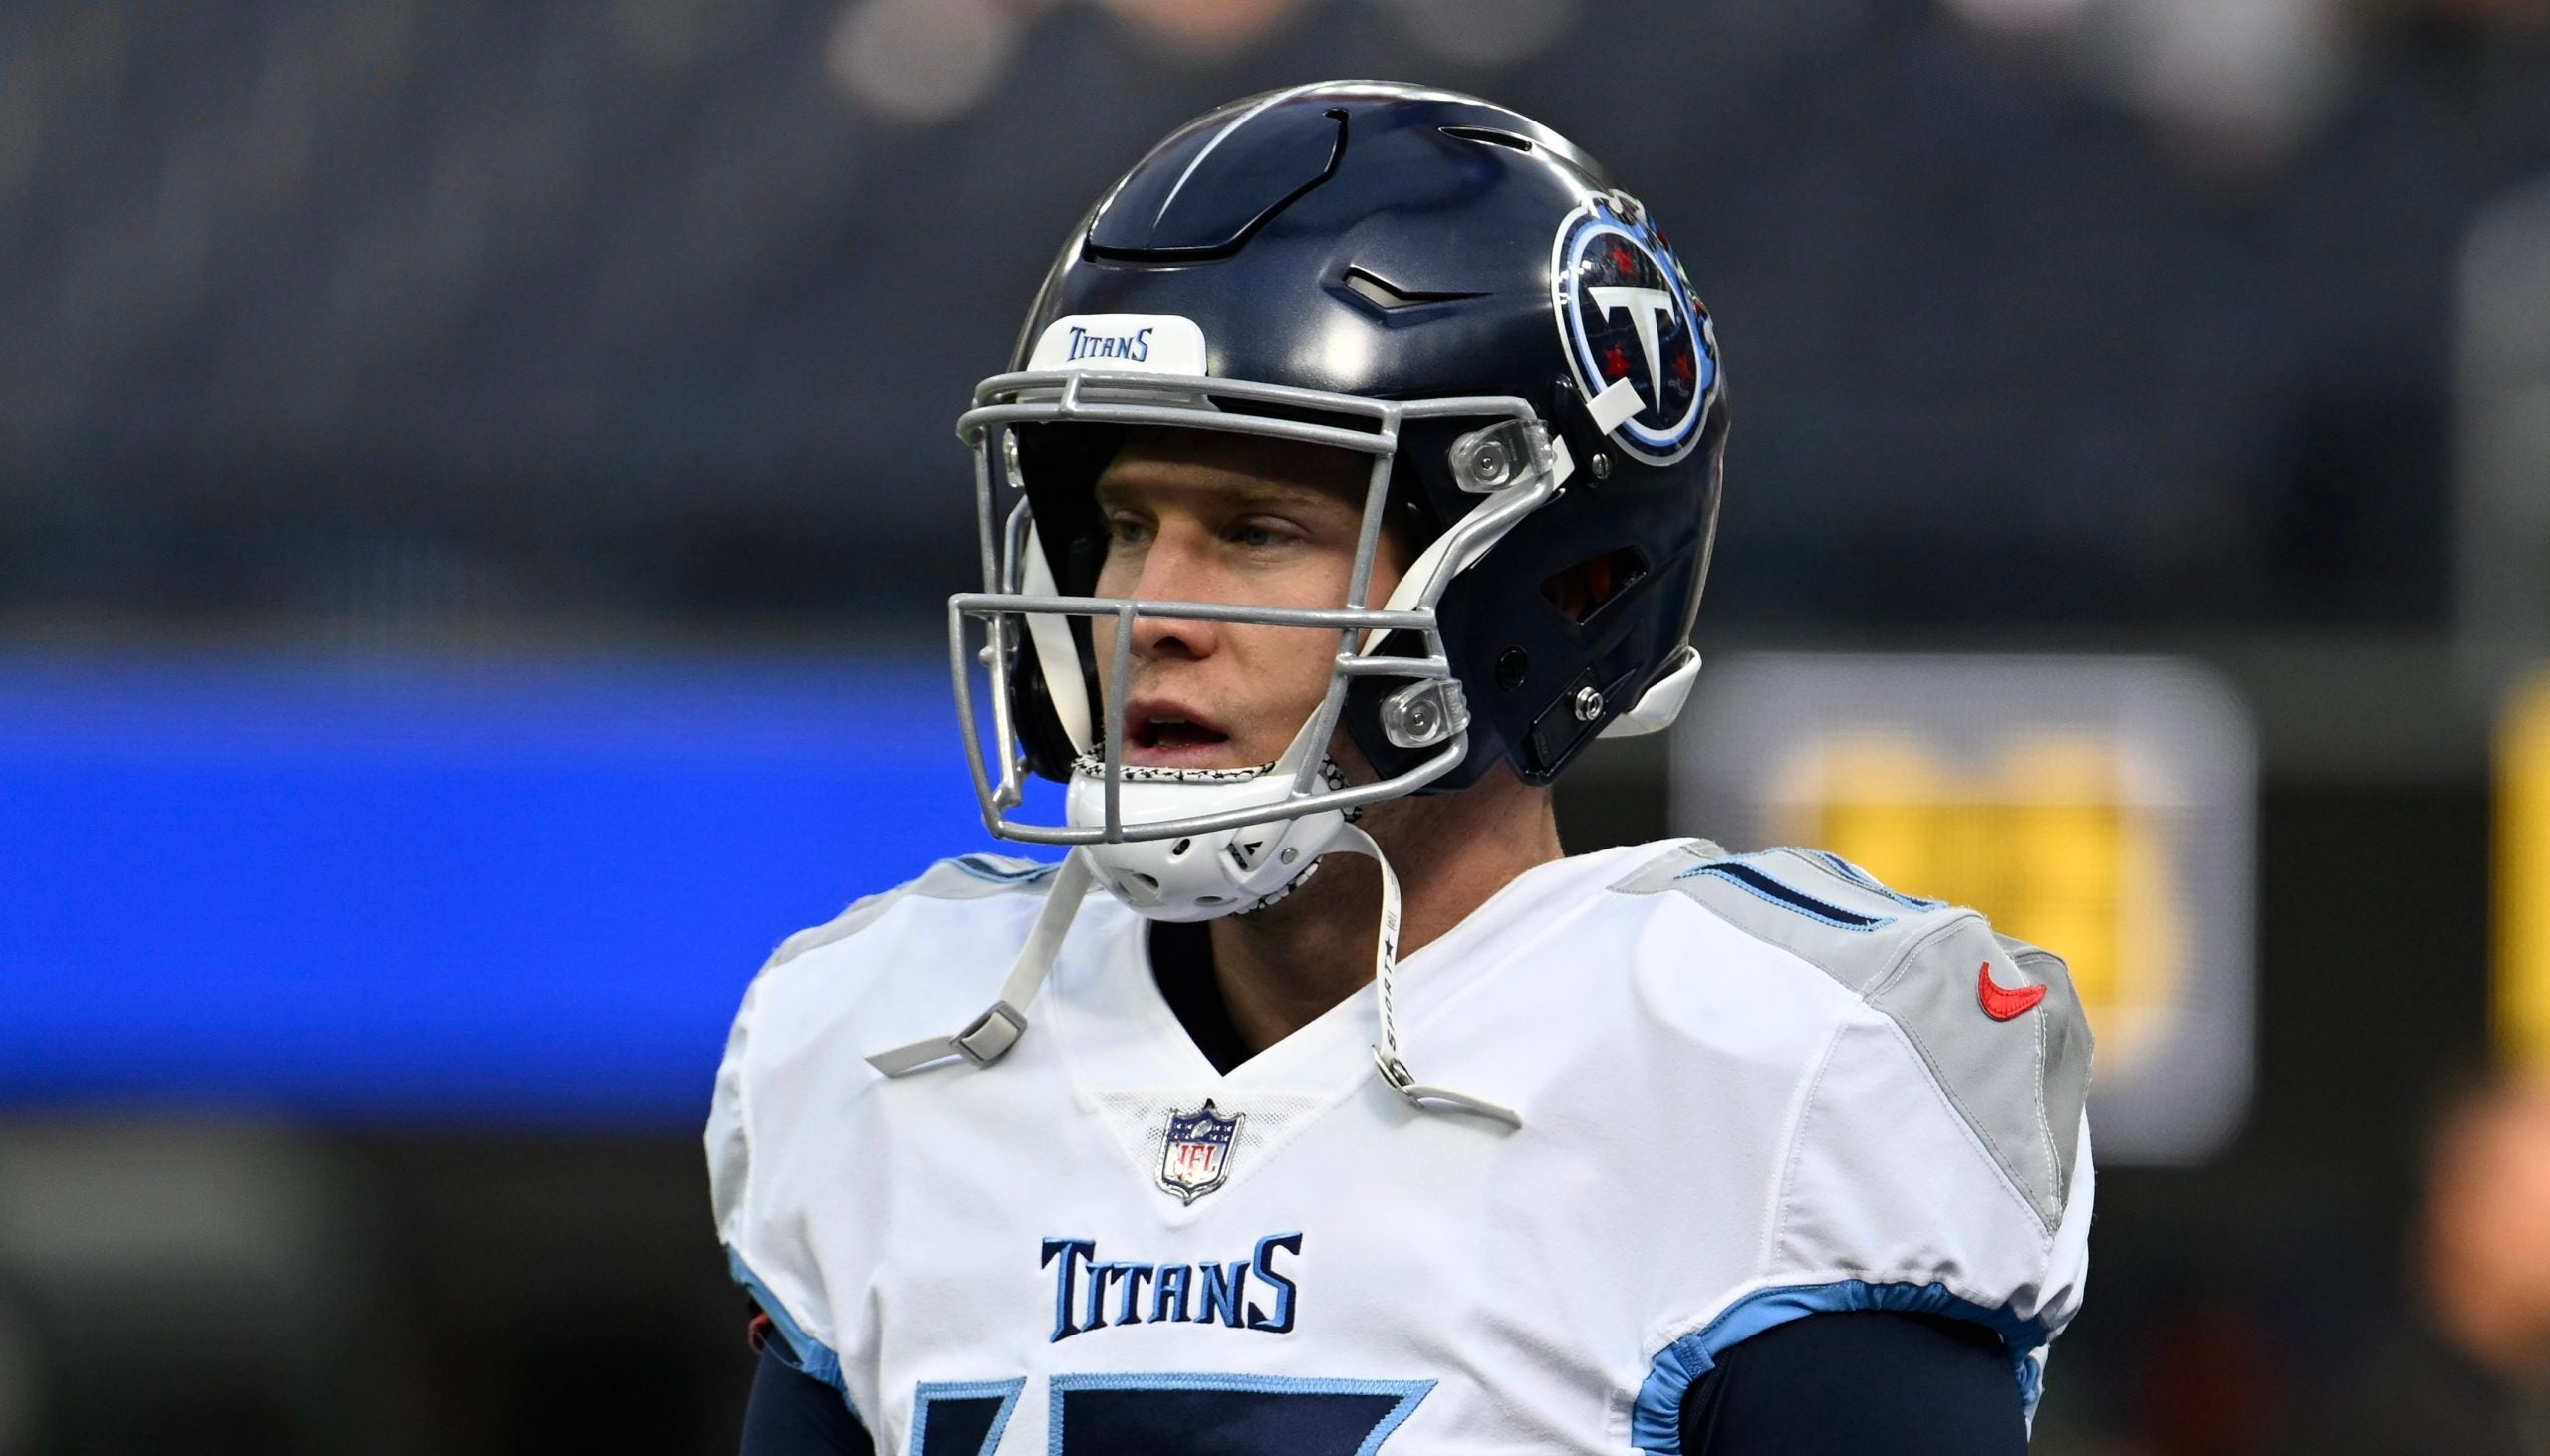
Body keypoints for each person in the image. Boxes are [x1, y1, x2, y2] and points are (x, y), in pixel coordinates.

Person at [704, 81, 2093, 1454]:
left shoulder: (1773, 1074)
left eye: (1256, 529)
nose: (1150, 614)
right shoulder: (885, 1043)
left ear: (1538, 582)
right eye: (1126, 524)